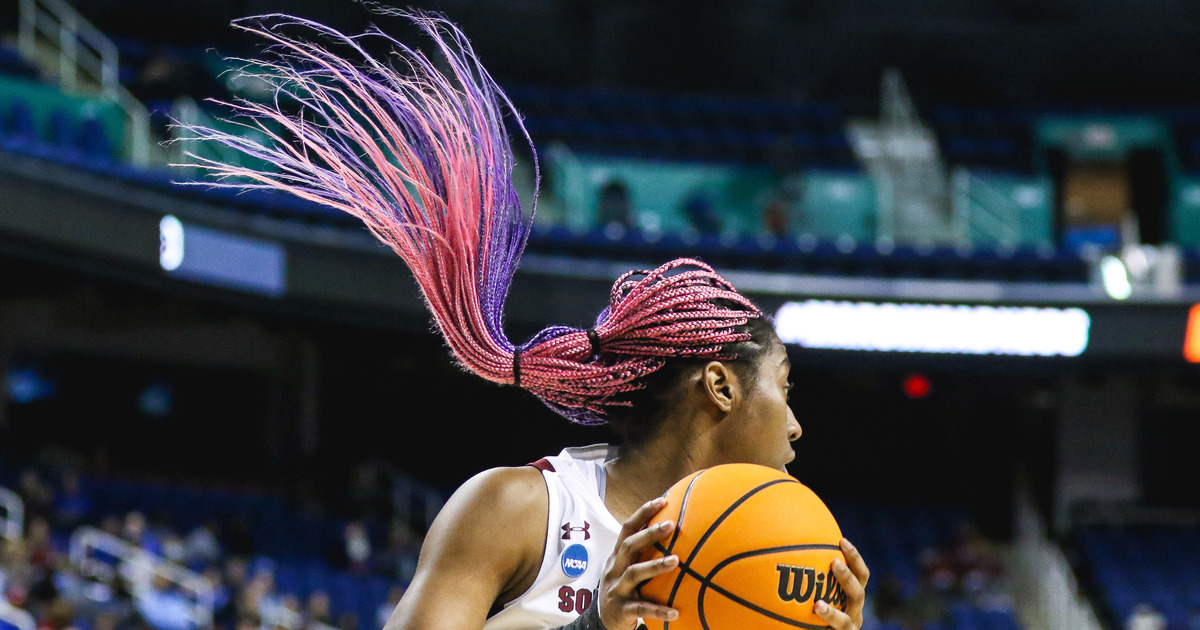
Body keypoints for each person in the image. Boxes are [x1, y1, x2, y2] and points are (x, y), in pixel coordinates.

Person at [180, 10, 870, 630]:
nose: (797, 424)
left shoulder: (774, 559)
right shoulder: (523, 509)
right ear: (720, 386)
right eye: (783, 385)